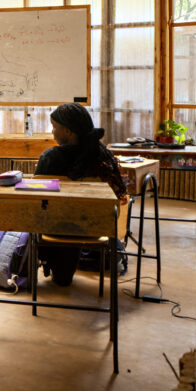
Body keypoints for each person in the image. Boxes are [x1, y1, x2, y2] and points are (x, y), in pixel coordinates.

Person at [33, 103, 129, 285]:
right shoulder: (104, 155)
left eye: (54, 127)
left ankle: (52, 269)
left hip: (56, 228)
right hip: (99, 227)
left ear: (68, 131)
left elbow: (38, 199)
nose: (52, 132)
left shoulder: (51, 157)